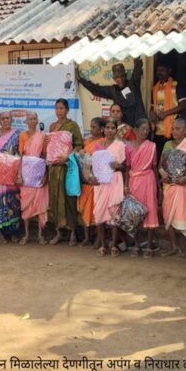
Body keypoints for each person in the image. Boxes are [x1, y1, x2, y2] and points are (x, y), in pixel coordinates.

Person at [160, 118, 186, 258]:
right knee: (168, 216)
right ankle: (174, 246)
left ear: (185, 130)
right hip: (169, 186)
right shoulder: (167, 145)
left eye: (178, 128)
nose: (174, 131)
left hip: (185, 187)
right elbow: (161, 165)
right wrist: (162, 173)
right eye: (173, 128)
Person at [47, 98, 84, 246]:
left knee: (69, 200)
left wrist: (67, 157)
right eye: (57, 108)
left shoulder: (72, 126)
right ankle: (58, 232)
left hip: (67, 168)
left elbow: (78, 146)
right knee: (55, 199)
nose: (59, 111)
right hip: (53, 169)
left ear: (67, 110)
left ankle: (73, 232)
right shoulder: (52, 126)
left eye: (62, 108)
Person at [77, 58, 147, 127]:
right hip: (125, 129)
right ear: (114, 78)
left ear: (125, 75)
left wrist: (136, 55)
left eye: (122, 76)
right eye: (117, 77)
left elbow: (137, 69)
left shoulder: (133, 84)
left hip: (140, 126)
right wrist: (80, 79)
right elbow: (95, 89)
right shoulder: (113, 90)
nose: (120, 79)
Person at [125, 119, 158, 257]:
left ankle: (149, 246)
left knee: (150, 211)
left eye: (147, 130)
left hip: (148, 180)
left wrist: (158, 187)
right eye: (143, 129)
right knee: (134, 213)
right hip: (134, 181)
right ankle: (137, 245)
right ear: (135, 130)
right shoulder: (128, 146)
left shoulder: (152, 146)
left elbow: (154, 167)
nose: (145, 132)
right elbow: (127, 168)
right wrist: (126, 185)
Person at [94, 118, 127, 257]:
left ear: (116, 130)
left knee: (114, 213)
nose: (110, 130)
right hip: (101, 183)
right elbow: (93, 165)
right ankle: (102, 244)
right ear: (103, 129)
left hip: (115, 180)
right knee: (99, 213)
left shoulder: (120, 145)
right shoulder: (98, 145)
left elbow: (125, 167)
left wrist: (118, 166)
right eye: (107, 127)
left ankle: (113, 245)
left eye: (113, 128)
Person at [0, 111, 21, 242]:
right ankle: (0, 233)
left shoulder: (17, 134)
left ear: (11, 119)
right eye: (2, 118)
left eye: (7, 118)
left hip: (11, 173)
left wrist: (12, 160)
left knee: (12, 202)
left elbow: (20, 153)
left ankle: (13, 232)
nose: (5, 120)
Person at [18, 112, 48, 245]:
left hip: (39, 173)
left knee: (40, 204)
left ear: (37, 121)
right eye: (29, 118)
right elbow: (20, 156)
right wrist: (19, 175)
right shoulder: (22, 136)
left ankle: (40, 235)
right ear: (26, 121)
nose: (32, 120)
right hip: (26, 174)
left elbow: (45, 156)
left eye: (34, 118)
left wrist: (45, 175)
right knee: (26, 204)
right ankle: (26, 234)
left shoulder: (42, 136)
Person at [150, 64, 186, 162]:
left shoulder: (176, 85)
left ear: (169, 70)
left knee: (172, 161)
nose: (159, 73)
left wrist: (165, 113)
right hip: (158, 130)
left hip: (173, 130)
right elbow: (152, 107)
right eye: (158, 70)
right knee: (159, 160)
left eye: (162, 70)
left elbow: (183, 105)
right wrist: (151, 113)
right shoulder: (155, 88)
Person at [78, 117, 105, 247]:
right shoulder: (87, 140)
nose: (92, 129)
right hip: (85, 179)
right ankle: (87, 237)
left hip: (96, 180)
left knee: (96, 210)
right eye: (91, 126)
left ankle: (98, 238)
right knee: (84, 209)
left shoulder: (103, 142)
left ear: (101, 129)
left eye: (94, 127)